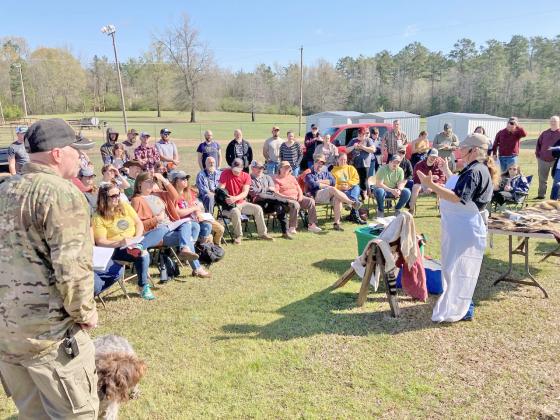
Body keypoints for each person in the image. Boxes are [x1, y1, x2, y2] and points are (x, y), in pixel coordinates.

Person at [0, 118, 100, 418]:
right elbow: (72, 268)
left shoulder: (5, 189)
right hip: (51, 339)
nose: (81, 157)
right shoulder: (62, 193)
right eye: (76, 150)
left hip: (8, 337)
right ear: (58, 154)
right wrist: (85, 312)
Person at [416, 133, 499, 322]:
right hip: (466, 226)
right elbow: (460, 188)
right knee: (461, 269)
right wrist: (444, 175)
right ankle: (462, 306)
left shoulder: (475, 171)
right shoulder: (477, 169)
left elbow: (457, 197)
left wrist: (431, 186)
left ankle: (462, 308)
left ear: (475, 150)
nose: (460, 151)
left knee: (459, 270)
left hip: (464, 227)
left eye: (464, 148)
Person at [130, 172, 210, 278]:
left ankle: (185, 249)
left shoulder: (158, 194)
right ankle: (196, 267)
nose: (151, 184)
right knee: (188, 237)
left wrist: (163, 179)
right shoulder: (137, 200)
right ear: (140, 184)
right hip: (157, 233)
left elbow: (175, 196)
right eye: (148, 182)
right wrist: (157, 219)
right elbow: (138, 225)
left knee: (188, 223)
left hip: (171, 226)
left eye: (152, 182)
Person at [93, 184, 158, 300]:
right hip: (116, 249)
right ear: (104, 198)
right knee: (143, 254)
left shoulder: (124, 206)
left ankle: (139, 245)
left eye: (118, 194)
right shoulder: (98, 217)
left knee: (160, 231)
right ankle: (143, 286)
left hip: (134, 241)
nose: (117, 198)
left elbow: (138, 223)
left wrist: (137, 238)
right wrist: (121, 242)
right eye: (113, 196)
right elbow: (100, 241)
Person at [218, 158, 274, 244]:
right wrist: (226, 197)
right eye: (234, 169)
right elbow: (220, 189)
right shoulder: (225, 173)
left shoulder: (246, 176)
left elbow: (245, 193)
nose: (235, 171)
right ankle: (238, 236)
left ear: (242, 168)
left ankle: (263, 233)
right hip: (228, 206)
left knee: (258, 208)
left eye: (238, 169)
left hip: (241, 203)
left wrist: (235, 198)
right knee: (235, 211)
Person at [305, 155, 361, 231]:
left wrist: (320, 182)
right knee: (332, 189)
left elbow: (333, 182)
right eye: (318, 163)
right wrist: (326, 184)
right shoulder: (309, 175)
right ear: (314, 163)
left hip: (329, 195)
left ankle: (336, 224)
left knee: (337, 198)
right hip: (317, 195)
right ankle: (351, 202)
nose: (320, 165)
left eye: (322, 164)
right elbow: (313, 185)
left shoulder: (326, 173)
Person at [171, 170, 224, 246]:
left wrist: (198, 214)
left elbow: (196, 208)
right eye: (183, 178)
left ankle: (202, 247)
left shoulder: (188, 193)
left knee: (207, 225)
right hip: (181, 222)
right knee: (197, 226)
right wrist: (194, 209)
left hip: (193, 219)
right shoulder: (172, 195)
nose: (185, 180)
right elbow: (179, 213)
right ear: (176, 181)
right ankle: (190, 247)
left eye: (186, 178)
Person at [274, 161, 322, 234]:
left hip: (298, 197)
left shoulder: (292, 177)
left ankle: (312, 225)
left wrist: (300, 195)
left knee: (311, 201)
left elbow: (298, 188)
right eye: (284, 168)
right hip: (286, 201)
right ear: (280, 169)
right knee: (295, 204)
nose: (286, 170)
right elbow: (276, 193)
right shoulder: (276, 179)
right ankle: (292, 227)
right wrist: (288, 197)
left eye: (288, 168)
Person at [248, 160, 292, 239]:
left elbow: (273, 190)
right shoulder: (249, 178)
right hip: (258, 203)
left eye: (262, 168)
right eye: (258, 168)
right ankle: (285, 201)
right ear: (252, 168)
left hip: (271, 201)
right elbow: (253, 192)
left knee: (280, 207)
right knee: (263, 196)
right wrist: (267, 188)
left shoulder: (267, 177)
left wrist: (262, 189)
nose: (260, 170)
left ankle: (285, 232)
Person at [409, 148, 447, 214]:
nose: (433, 158)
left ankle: (442, 211)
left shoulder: (439, 165)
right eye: (431, 156)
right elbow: (416, 179)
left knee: (443, 186)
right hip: (422, 184)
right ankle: (411, 209)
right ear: (427, 155)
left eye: (435, 157)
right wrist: (430, 178)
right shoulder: (419, 165)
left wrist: (432, 187)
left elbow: (442, 179)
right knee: (415, 187)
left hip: (435, 186)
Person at [331, 153, 366, 224]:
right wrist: (340, 187)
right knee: (354, 193)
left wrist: (349, 185)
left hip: (351, 188)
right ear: (337, 160)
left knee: (357, 186)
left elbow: (356, 179)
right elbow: (332, 183)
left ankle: (351, 203)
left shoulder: (351, 168)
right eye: (341, 159)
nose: (343, 161)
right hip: (341, 190)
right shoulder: (333, 171)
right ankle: (355, 216)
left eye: (345, 160)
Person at [347, 127, 376, 200]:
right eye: (359, 134)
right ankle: (355, 194)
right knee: (355, 179)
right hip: (354, 163)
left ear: (365, 134)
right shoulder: (353, 140)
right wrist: (353, 147)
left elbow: (373, 150)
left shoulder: (368, 140)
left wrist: (362, 147)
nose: (360, 136)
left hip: (365, 164)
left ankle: (364, 195)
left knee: (363, 180)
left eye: (362, 134)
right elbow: (346, 150)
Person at [535, 116, 560, 199]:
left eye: (555, 121)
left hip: (556, 161)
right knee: (542, 179)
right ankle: (541, 195)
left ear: (558, 122)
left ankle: (556, 196)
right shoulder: (544, 133)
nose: (553, 122)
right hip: (543, 159)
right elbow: (538, 144)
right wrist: (538, 155)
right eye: (551, 121)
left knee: (557, 179)